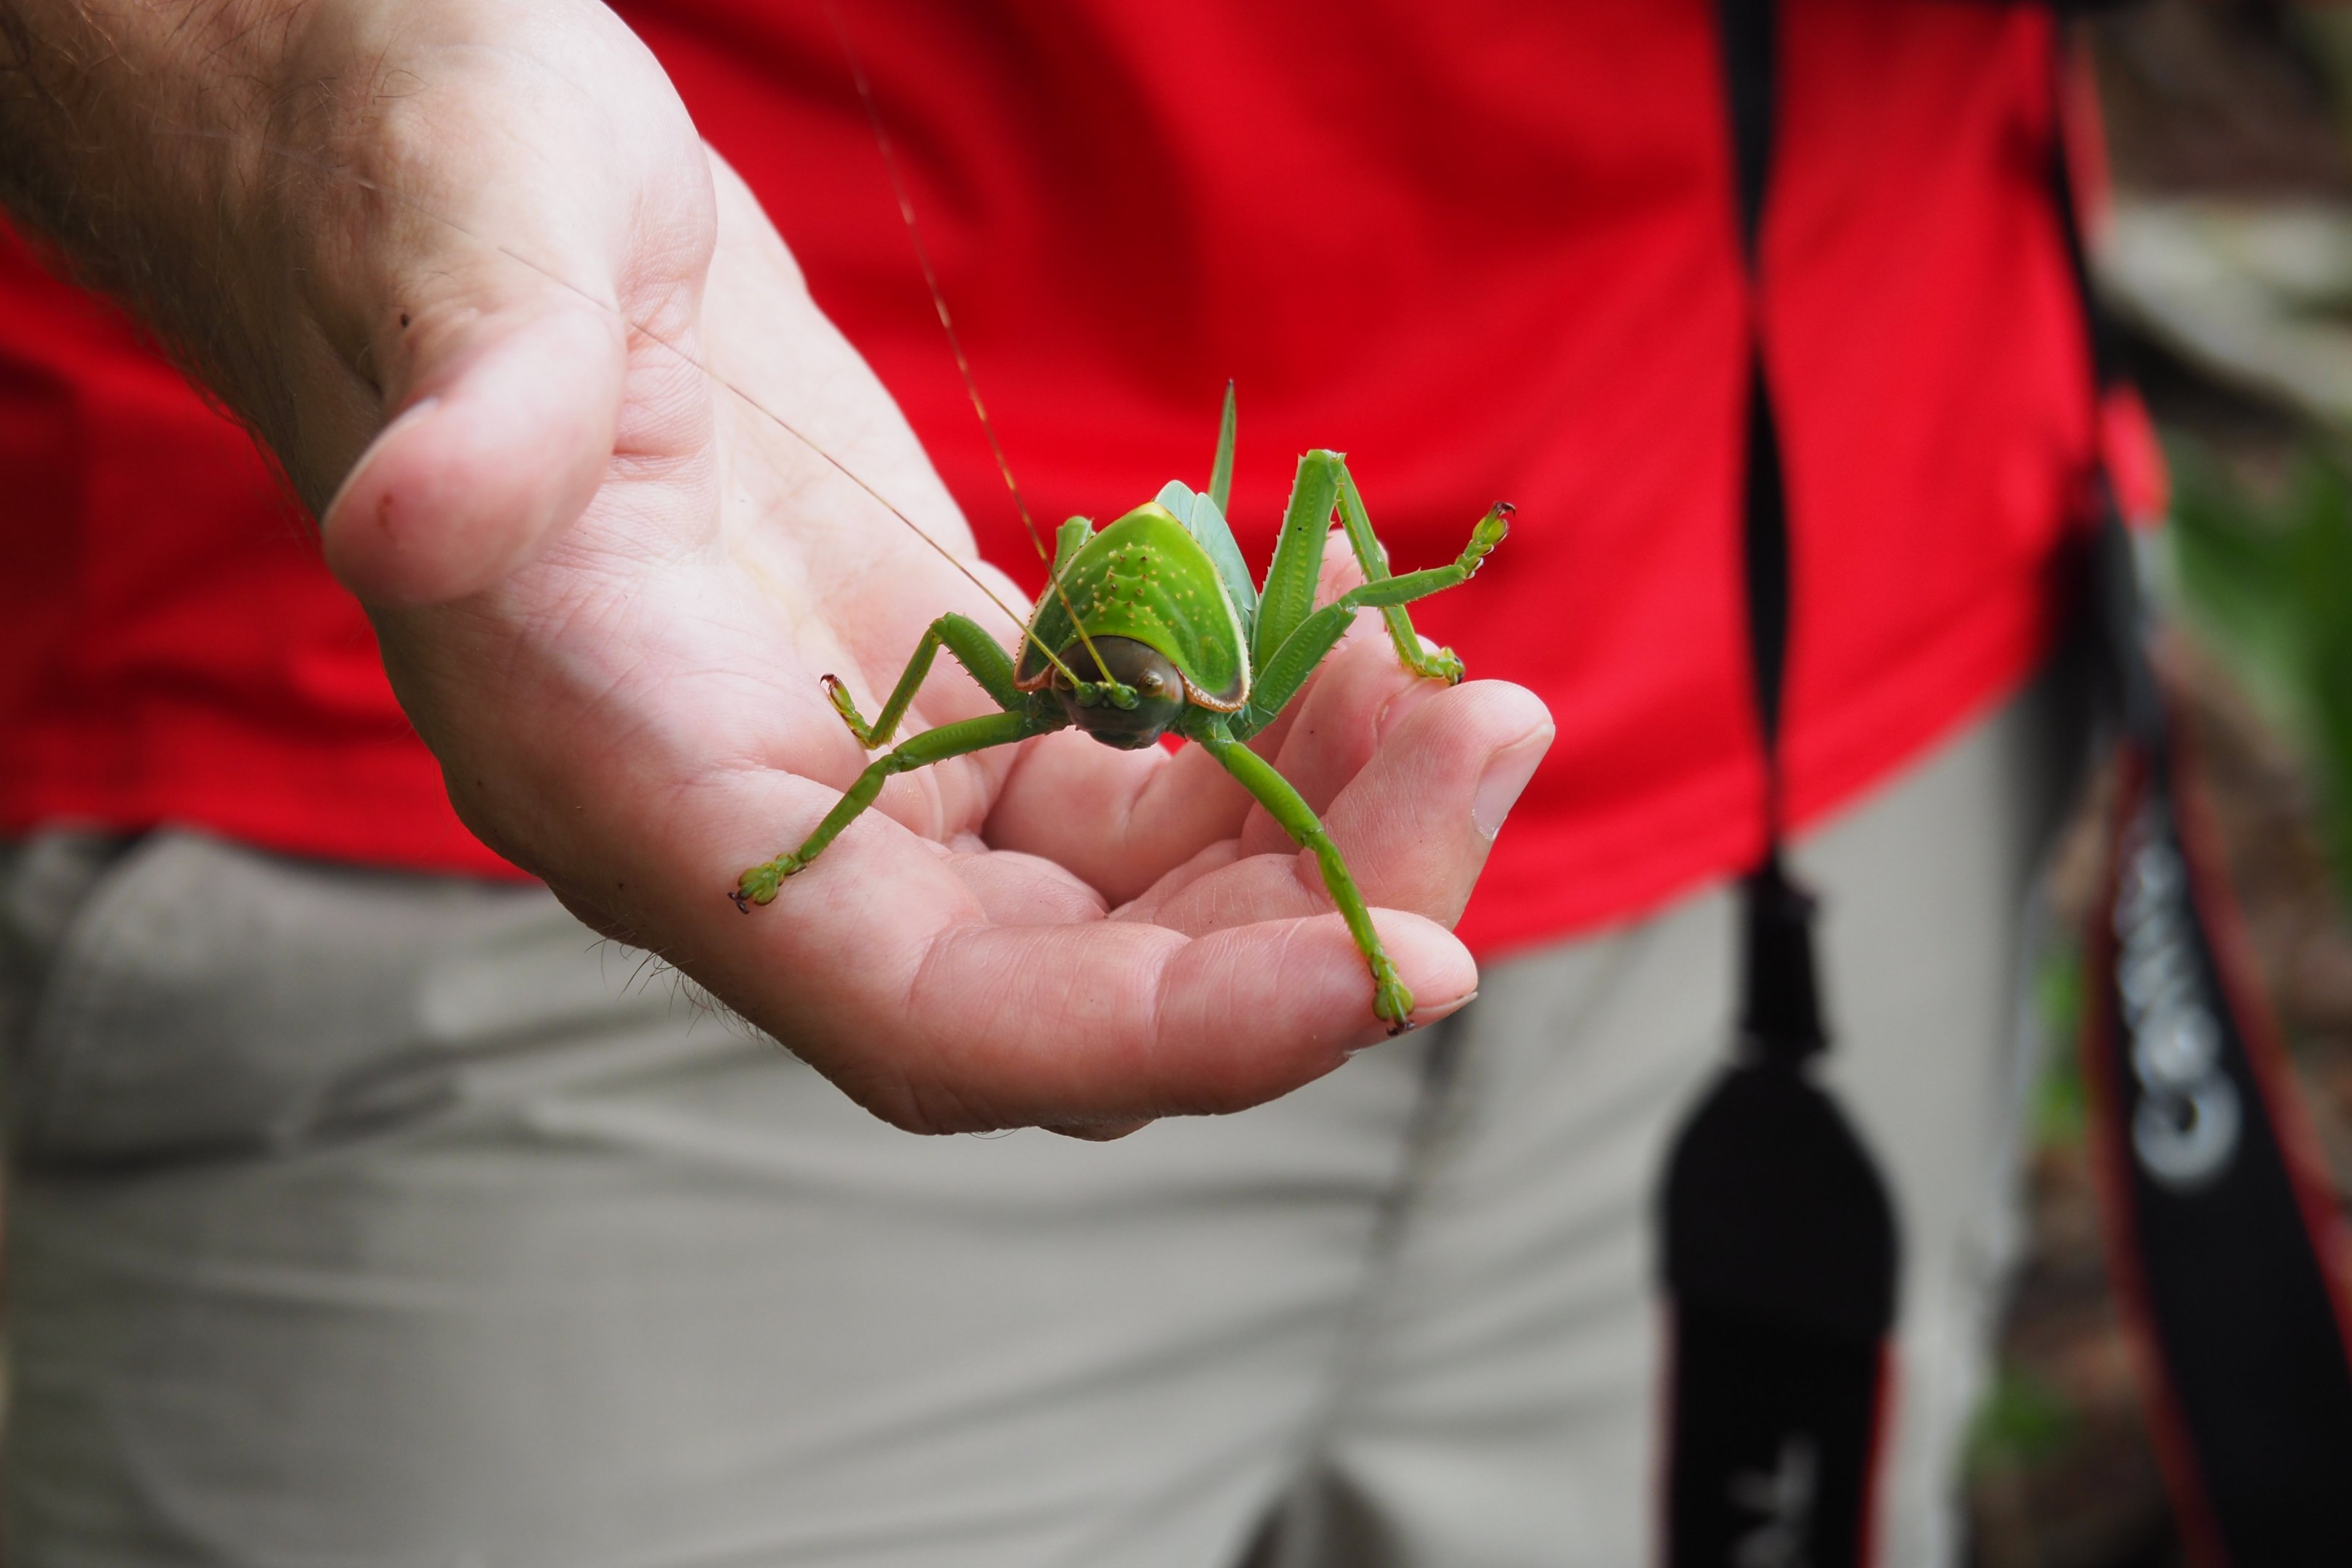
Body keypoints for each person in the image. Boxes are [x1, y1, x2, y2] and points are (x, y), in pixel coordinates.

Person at [0, 0, 2101, 1561]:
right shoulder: (1030, 671)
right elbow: (937, 674)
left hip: (1829, 596)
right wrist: (269, 83)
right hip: (558, 681)